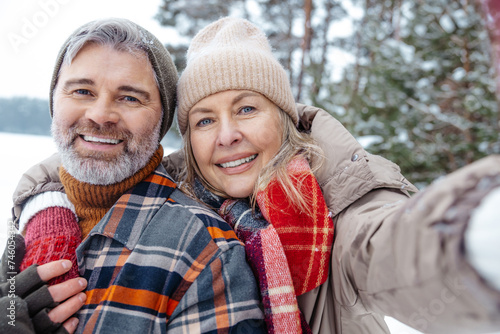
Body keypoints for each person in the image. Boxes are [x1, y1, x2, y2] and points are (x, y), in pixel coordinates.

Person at [6, 17, 500, 334]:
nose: (226, 136)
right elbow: (89, 165)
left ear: (283, 118)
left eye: (246, 108)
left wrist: (476, 232)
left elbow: (397, 246)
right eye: (203, 120)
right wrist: (44, 206)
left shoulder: (330, 209)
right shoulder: (162, 187)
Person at [0, 18, 265, 334]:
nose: (100, 115)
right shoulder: (32, 218)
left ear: (162, 118)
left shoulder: (204, 253)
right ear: (55, 101)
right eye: (82, 91)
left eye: (129, 97)